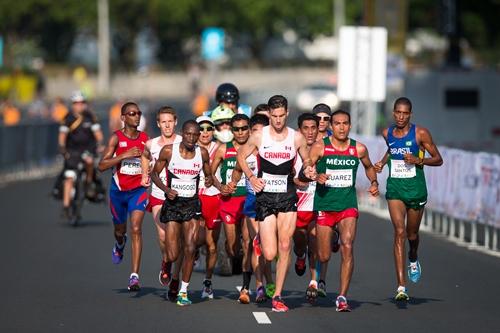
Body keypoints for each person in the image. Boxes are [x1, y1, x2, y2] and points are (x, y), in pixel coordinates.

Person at [236, 95, 310, 312]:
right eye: (274, 116)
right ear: (269, 115)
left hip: (287, 195)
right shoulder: (259, 136)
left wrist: (309, 169)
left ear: (287, 114)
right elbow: (241, 155)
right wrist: (251, 177)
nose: (277, 120)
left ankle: (278, 296)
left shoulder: (297, 138)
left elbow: (307, 160)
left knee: (285, 245)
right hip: (266, 197)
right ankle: (261, 239)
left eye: (281, 116)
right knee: (269, 254)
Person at [303, 109, 379, 312]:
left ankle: (342, 296)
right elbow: (308, 164)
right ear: (331, 126)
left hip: (347, 205)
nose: (342, 127)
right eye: (337, 123)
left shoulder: (358, 149)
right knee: (324, 255)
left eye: (345, 123)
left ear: (350, 125)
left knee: (347, 246)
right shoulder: (321, 147)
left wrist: (373, 181)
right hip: (325, 206)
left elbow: (369, 166)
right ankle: (332, 236)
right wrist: (314, 174)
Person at [374, 97, 443, 301]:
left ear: (410, 114)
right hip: (395, 189)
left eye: (405, 113)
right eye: (398, 113)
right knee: (399, 232)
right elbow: (391, 150)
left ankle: (413, 256)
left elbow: (439, 159)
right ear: (393, 113)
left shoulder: (420, 133)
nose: (401, 117)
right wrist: (381, 163)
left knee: (412, 235)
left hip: (416, 190)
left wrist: (418, 159)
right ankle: (401, 286)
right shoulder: (387, 132)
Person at [151, 120, 213, 306]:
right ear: (182, 133)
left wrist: (210, 181)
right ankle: (167, 264)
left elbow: (209, 174)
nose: (192, 138)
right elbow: (154, 174)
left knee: (191, 248)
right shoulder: (169, 151)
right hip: (173, 205)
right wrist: (165, 189)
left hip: (192, 205)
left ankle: (183, 292)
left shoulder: (201, 153)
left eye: (195, 135)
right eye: (188, 134)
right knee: (173, 254)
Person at [98, 101, 149, 291]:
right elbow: (101, 165)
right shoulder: (116, 138)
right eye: (132, 113)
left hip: (138, 191)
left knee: (136, 228)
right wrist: (123, 155)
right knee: (120, 230)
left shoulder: (145, 139)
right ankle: (119, 244)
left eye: (138, 113)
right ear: (123, 118)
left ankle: (134, 276)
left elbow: (152, 161)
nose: (136, 116)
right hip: (118, 192)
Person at [212, 114, 253, 303]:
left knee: (247, 242)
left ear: (249, 128)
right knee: (232, 247)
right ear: (232, 131)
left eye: (244, 128)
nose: (240, 132)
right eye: (236, 129)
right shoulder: (223, 149)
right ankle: (239, 257)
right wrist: (222, 187)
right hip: (229, 202)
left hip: (249, 200)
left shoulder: (255, 149)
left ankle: (245, 288)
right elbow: (209, 174)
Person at [140, 106, 182, 289]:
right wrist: (144, 174)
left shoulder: (183, 141)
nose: (167, 125)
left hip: (180, 195)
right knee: (164, 236)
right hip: (158, 194)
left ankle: (176, 277)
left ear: (175, 122)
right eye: (163, 122)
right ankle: (166, 262)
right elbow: (144, 156)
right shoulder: (152, 144)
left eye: (170, 121)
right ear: (158, 124)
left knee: (178, 238)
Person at [291, 112, 328, 302]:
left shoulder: (324, 150)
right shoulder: (293, 150)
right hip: (297, 207)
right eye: (306, 128)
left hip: (317, 205)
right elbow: (288, 176)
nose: (310, 132)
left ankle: (313, 282)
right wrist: (298, 180)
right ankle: (299, 255)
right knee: (300, 243)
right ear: (299, 130)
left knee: (315, 242)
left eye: (314, 127)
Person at [58, 91, 104, 219]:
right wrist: (62, 148)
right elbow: (62, 135)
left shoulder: (90, 117)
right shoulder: (68, 118)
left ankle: (88, 183)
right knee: (69, 177)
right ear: (73, 104)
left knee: (89, 162)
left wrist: (100, 144)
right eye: (76, 103)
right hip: (72, 151)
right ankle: (66, 206)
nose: (79, 105)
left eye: (82, 103)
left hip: (88, 150)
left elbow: (98, 134)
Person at [195, 115, 222, 299]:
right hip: (195, 198)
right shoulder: (188, 149)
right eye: (201, 128)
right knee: (195, 241)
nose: (205, 132)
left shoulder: (220, 148)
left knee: (212, 246)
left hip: (216, 199)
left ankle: (208, 282)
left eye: (209, 128)